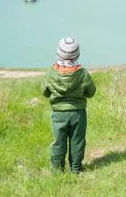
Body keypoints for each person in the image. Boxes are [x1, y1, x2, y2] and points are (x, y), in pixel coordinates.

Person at [42, 37, 96, 173]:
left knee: (58, 142)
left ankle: (57, 170)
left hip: (58, 114)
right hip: (78, 114)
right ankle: (76, 169)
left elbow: (45, 92)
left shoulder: (51, 72)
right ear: (77, 54)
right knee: (77, 141)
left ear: (58, 53)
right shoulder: (83, 73)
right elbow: (91, 92)